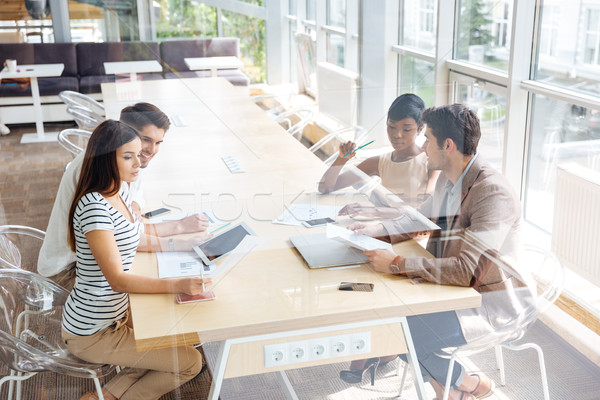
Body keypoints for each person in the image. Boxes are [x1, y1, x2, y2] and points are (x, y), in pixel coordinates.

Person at [341, 104, 533, 400]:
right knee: (391, 322)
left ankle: (467, 384)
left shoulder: (493, 193)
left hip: (490, 302)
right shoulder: (448, 177)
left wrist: (396, 264)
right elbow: (419, 218)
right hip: (450, 292)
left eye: (427, 138)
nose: (422, 146)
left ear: (448, 145)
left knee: (401, 333)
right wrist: (373, 230)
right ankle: (460, 386)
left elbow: (467, 271)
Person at [61, 120, 210, 400]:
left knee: (175, 337)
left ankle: (101, 396)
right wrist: (176, 284)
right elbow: (117, 280)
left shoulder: (117, 192)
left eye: (137, 155)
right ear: (106, 159)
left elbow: (135, 236)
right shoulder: (94, 206)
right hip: (93, 331)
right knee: (190, 361)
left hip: (113, 316)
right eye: (128, 157)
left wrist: (181, 240)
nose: (138, 163)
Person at [39, 102, 210, 291]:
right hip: (71, 269)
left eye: (158, 143)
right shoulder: (99, 178)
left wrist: (134, 206)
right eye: (146, 139)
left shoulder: (127, 159)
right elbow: (127, 239)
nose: (152, 150)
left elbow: (132, 217)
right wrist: (179, 232)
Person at [318, 94, 439, 210]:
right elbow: (325, 187)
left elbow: (427, 207)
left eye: (407, 129)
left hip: (411, 228)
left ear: (420, 129)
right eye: (391, 127)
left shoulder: (431, 163)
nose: (397, 135)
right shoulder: (379, 162)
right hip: (378, 225)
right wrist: (342, 159)